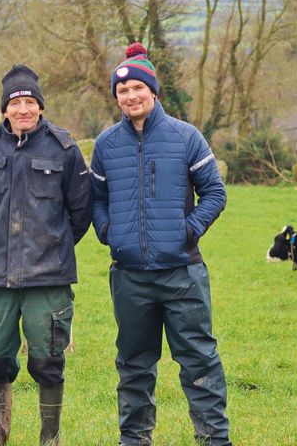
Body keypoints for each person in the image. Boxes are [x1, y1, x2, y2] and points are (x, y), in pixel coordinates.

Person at [90, 43, 232, 446]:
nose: (130, 96)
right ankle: (134, 440)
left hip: (182, 274)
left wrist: (188, 231)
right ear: (116, 97)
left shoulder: (185, 137)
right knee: (134, 367)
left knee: (199, 362)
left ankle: (214, 440)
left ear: (153, 91)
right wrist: (109, 233)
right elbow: (96, 199)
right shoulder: (105, 145)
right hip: (130, 278)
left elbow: (215, 194)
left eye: (138, 87)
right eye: (122, 91)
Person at [0, 64, 93, 446]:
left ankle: (49, 440)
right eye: (15, 102)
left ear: (40, 106)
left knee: (49, 363)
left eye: (30, 102)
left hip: (48, 278)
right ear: (5, 109)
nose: (23, 109)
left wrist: (51, 247)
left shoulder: (64, 147)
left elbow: (81, 211)